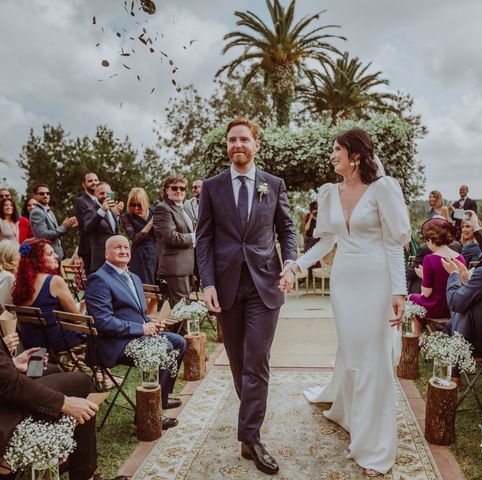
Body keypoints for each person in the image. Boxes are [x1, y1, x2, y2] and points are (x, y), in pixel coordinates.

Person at [280, 128, 409, 477]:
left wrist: (399, 291)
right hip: (345, 283)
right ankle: (355, 418)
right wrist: (296, 265)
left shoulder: (383, 188)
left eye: (337, 149)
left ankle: (376, 448)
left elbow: (394, 243)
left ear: (356, 155)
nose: (331, 154)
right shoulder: (328, 193)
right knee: (354, 358)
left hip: (378, 282)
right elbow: (326, 243)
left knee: (375, 361)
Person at [0, 231, 102, 480]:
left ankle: (62, 455)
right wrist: (65, 403)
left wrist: (12, 363)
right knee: (81, 383)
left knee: (52, 370)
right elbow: (5, 385)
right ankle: (83, 473)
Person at [197, 118, 297, 475]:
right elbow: (204, 239)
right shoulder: (212, 187)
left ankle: (250, 438)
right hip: (225, 288)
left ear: (256, 144)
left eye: (244, 139)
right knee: (240, 366)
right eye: (232, 140)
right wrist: (207, 283)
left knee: (256, 362)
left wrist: (290, 264)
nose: (237, 144)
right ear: (228, 146)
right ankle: (251, 423)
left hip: (264, 285)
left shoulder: (274, 184)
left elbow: (286, 229)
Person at [84, 235, 185, 429]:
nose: (123, 251)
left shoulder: (134, 277)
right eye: (117, 248)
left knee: (178, 342)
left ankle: (159, 399)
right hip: (113, 343)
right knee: (164, 347)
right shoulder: (99, 279)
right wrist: (142, 328)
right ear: (106, 253)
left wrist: (151, 323)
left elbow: (138, 314)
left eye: (126, 247)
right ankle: (145, 415)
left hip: (137, 335)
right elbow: (103, 322)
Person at [11, 239, 85, 353]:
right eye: (50, 254)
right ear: (38, 260)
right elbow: (76, 319)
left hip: (31, 342)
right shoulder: (54, 281)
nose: (56, 256)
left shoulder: (21, 284)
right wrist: (84, 305)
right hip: (56, 341)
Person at [409, 216, 466, 335]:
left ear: (430, 239)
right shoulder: (460, 257)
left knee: (411, 298)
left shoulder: (429, 259)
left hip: (435, 308)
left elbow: (427, 293)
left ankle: (417, 336)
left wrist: (424, 278)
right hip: (452, 308)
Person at [154, 175, 197, 306]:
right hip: (174, 270)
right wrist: (194, 237)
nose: (179, 191)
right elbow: (171, 237)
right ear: (167, 190)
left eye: (182, 188)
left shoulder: (184, 208)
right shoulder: (163, 208)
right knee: (180, 310)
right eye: (174, 188)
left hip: (187, 268)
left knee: (182, 309)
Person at [82, 182, 124, 273]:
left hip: (115, 261)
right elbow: (86, 230)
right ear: (95, 194)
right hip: (100, 262)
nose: (105, 196)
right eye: (101, 193)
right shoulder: (90, 210)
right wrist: (102, 210)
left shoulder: (112, 212)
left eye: (107, 193)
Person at [29, 183, 78, 260]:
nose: (45, 195)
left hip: (55, 255)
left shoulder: (49, 211)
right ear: (35, 196)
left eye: (48, 193)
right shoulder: (37, 212)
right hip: (47, 256)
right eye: (42, 193)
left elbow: (54, 232)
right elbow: (43, 236)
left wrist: (67, 227)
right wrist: (64, 227)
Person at [120, 187, 157, 285]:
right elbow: (135, 239)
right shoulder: (126, 216)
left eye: (139, 205)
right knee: (143, 286)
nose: (136, 208)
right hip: (139, 255)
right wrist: (150, 224)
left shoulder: (153, 212)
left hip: (155, 253)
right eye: (133, 205)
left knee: (158, 289)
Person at [73, 172, 101, 269]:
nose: (94, 183)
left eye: (96, 180)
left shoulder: (103, 200)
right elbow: (85, 227)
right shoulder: (80, 202)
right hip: (90, 249)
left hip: (104, 247)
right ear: (84, 185)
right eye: (90, 181)